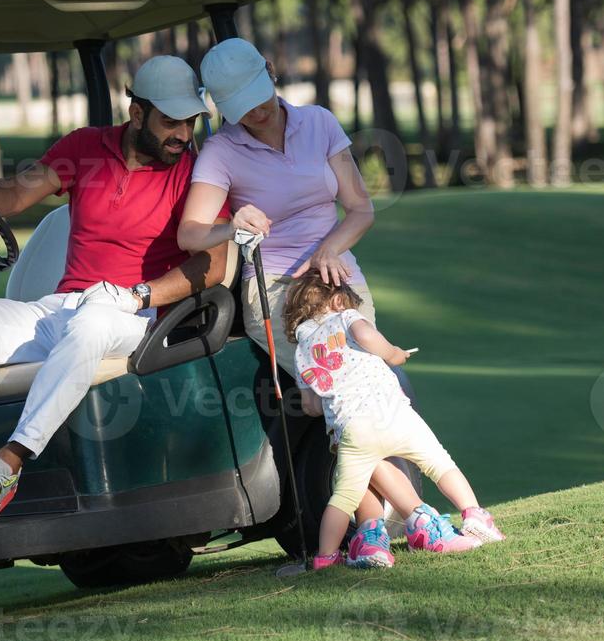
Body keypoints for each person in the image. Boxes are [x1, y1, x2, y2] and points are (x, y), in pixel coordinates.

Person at [0, 55, 228, 529]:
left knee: (91, 323)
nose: (183, 134)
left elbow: (213, 265)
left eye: (190, 122)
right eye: (170, 122)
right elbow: (15, 195)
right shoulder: (86, 147)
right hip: (63, 306)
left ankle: (7, 464)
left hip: (134, 314)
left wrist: (138, 295)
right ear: (136, 114)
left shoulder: (198, 173)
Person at [175, 37, 453, 566]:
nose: (255, 113)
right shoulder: (222, 151)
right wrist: (229, 226)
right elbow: (191, 233)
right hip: (278, 290)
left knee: (366, 400)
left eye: (258, 96)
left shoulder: (319, 123)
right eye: (240, 107)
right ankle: (418, 516)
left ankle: (375, 529)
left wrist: (330, 246)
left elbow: (360, 209)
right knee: (339, 405)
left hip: (338, 280)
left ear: (272, 72)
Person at [283, 274, 504, 569]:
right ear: (337, 300)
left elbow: (310, 406)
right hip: (394, 414)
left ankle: (325, 556)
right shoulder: (346, 317)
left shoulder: (301, 351)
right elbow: (365, 336)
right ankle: (474, 515)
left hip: (352, 429)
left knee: (345, 496)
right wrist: (393, 354)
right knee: (440, 464)